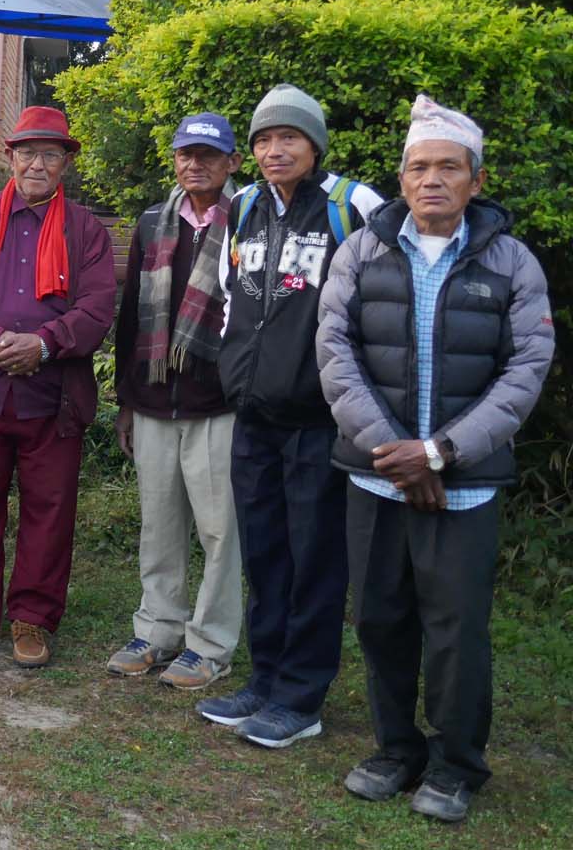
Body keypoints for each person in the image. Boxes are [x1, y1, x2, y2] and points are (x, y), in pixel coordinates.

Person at [318, 96, 553, 822]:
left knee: (456, 631)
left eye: (449, 168)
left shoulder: (511, 262)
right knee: (382, 620)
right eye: (418, 167)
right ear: (401, 176)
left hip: (466, 483)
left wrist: (441, 453)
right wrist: (396, 454)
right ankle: (397, 748)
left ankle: (457, 763)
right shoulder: (361, 250)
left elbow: (528, 366)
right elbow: (334, 351)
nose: (432, 180)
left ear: (475, 180)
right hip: (376, 475)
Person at [197, 83, 382, 748]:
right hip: (253, 412)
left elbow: (387, 298)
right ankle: (264, 679)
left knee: (315, 557)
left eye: (289, 138)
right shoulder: (242, 206)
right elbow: (227, 293)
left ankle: (302, 697)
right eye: (264, 140)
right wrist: (229, 368)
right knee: (267, 552)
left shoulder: (351, 205)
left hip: (318, 417)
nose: (274, 150)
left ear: (315, 144)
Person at [0, 106, 116, 668]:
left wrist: (45, 343)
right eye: (28, 153)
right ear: (9, 157)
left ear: (66, 163)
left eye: (51, 154)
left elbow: (97, 307)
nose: (39, 164)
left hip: (52, 397)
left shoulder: (86, 230)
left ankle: (33, 619)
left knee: (49, 511)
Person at [107, 113, 244, 689]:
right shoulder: (150, 223)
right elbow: (130, 316)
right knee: (158, 525)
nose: (196, 164)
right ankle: (158, 629)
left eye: (208, 156)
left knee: (219, 532)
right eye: (187, 154)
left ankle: (210, 645)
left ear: (233, 163)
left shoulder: (251, 222)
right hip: (154, 399)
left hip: (219, 403)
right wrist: (126, 399)